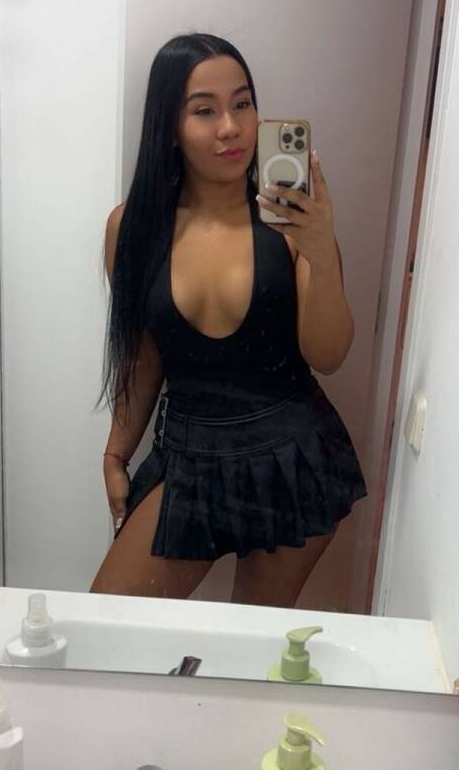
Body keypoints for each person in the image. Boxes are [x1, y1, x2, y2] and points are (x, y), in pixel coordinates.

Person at [91, 33, 366, 607]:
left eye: (242, 104)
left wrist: (320, 249)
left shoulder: (291, 223)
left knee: (254, 637)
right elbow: (144, 357)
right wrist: (117, 452)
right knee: (111, 618)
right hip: (188, 455)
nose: (231, 127)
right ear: (169, 125)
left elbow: (328, 354)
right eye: (204, 110)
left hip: (290, 454)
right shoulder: (132, 229)